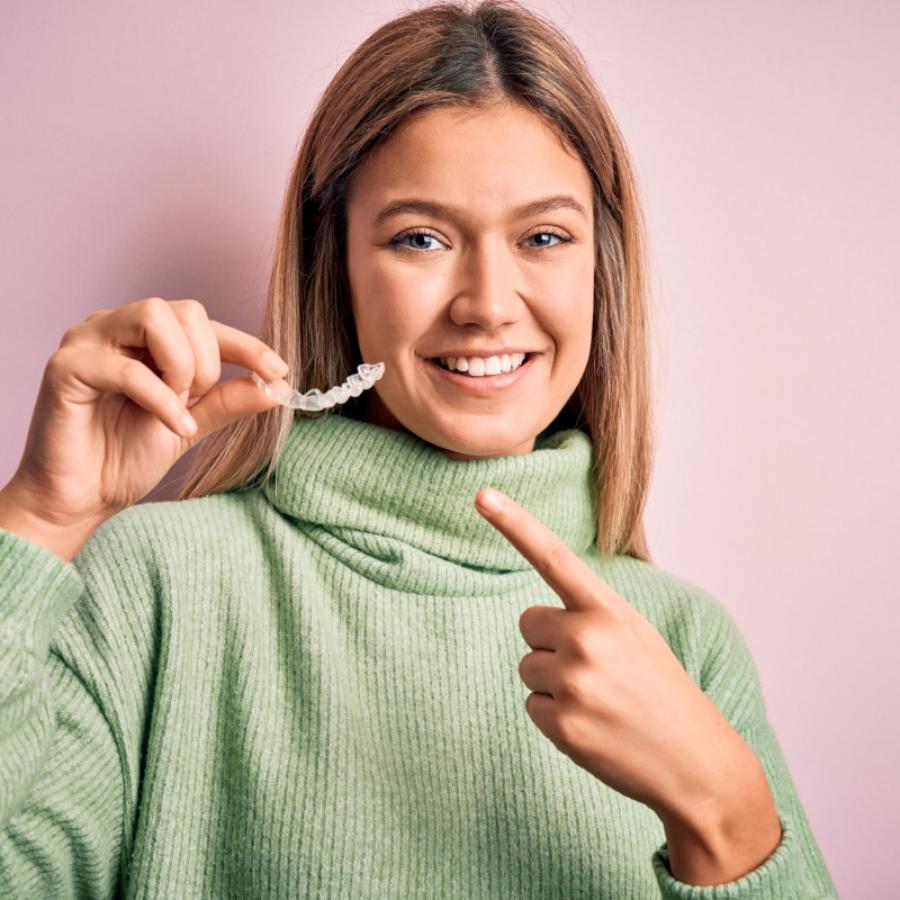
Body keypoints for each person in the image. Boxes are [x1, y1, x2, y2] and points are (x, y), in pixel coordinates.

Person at [0, 1, 839, 897]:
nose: (486, 301)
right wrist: (38, 519)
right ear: (340, 269)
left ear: (602, 269)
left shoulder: (684, 640)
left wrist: (725, 813)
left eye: (544, 237)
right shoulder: (157, 585)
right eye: (421, 238)